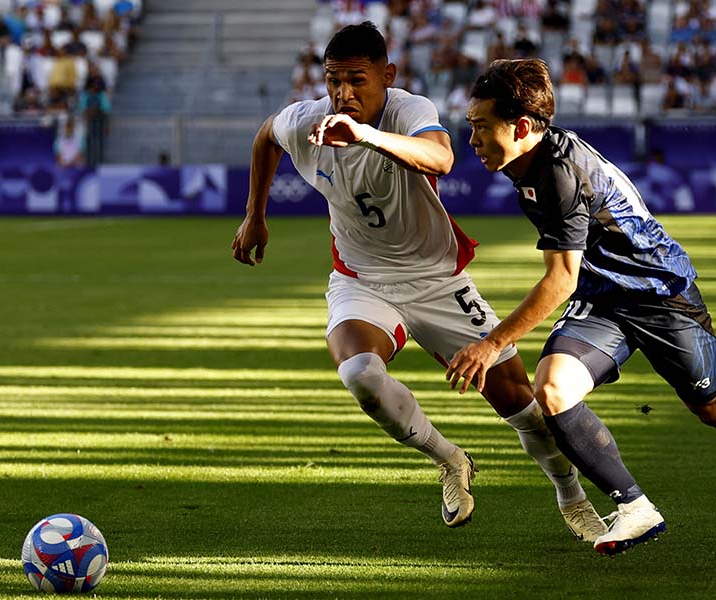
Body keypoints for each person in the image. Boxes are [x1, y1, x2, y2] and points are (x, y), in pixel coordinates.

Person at [231, 22, 605, 540]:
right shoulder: (307, 120)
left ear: (387, 75)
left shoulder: (409, 110)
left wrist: (363, 134)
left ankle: (572, 496)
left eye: (357, 80)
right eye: (333, 80)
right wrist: (256, 215)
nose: (343, 93)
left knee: (520, 402)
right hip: (361, 279)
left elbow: (442, 158)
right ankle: (450, 460)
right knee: (360, 372)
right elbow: (266, 137)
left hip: (436, 279)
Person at [451, 58, 716, 556]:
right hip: (604, 299)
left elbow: (560, 279)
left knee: (714, 407)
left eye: (480, 127)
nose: (472, 140)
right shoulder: (527, 158)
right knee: (553, 389)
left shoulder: (560, 174)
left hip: (661, 294)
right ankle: (634, 507)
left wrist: (493, 342)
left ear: (522, 127)